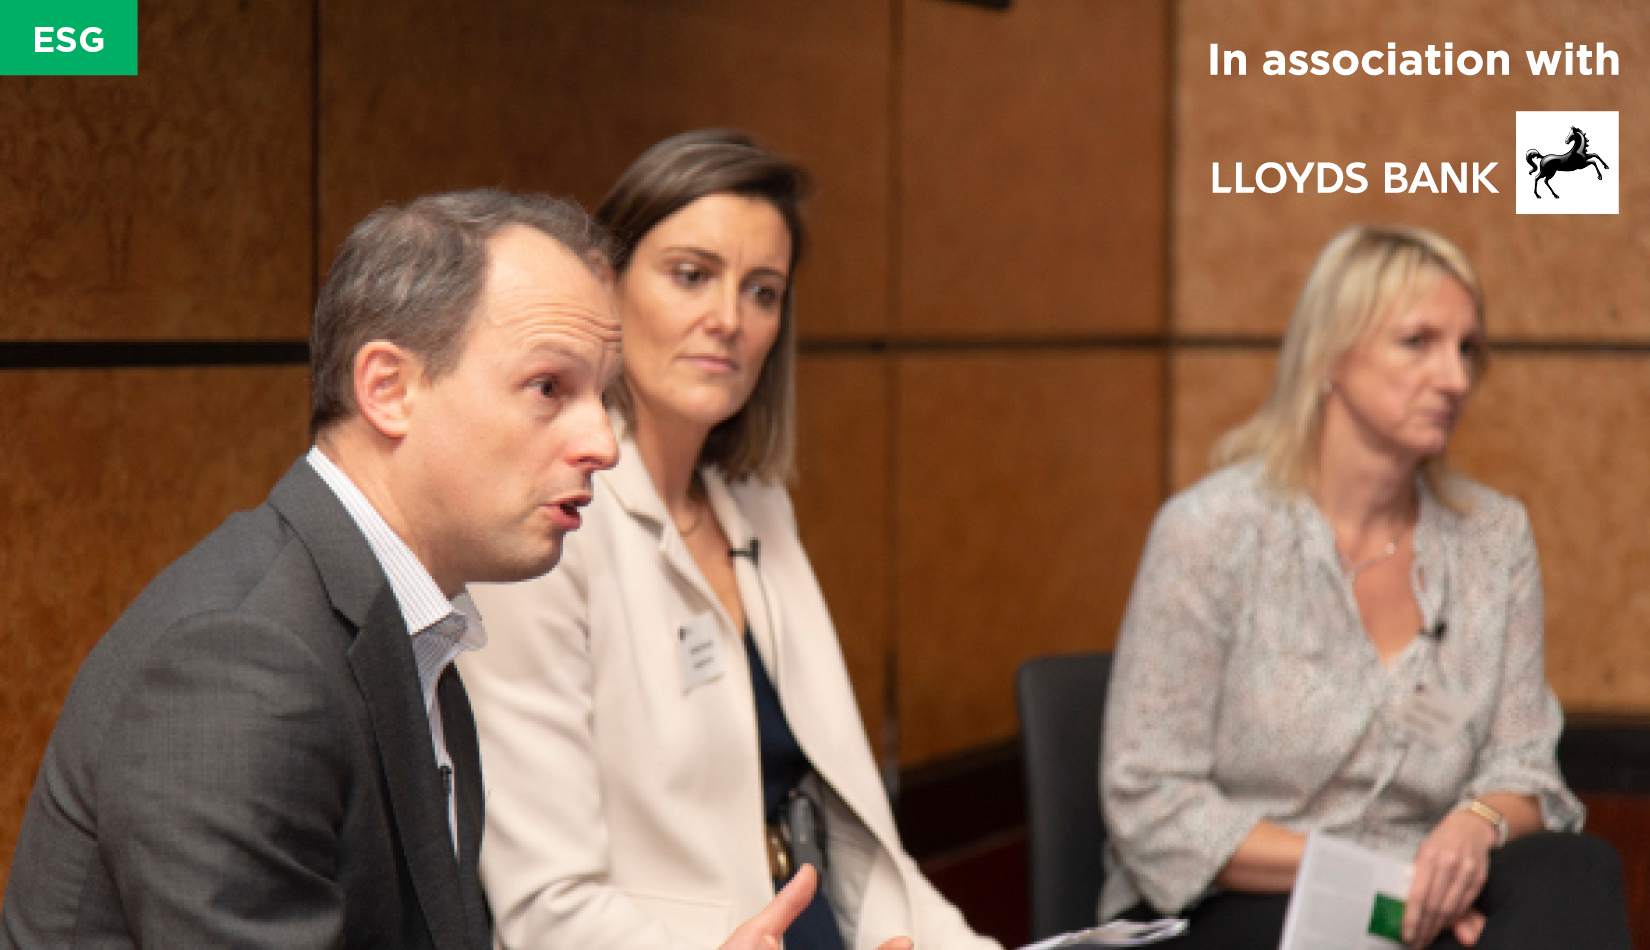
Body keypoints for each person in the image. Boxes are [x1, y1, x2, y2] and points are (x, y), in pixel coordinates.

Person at [1, 188, 893, 950]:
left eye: (602, 397)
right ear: (387, 389)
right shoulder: (239, 665)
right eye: (550, 388)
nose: (601, 444)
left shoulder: (415, 626)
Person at [460, 131, 999, 950]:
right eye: (691, 275)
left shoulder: (756, 505)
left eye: (762, 291)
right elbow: (547, 907)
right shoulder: (543, 532)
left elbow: (851, 832)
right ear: (604, 287)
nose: (728, 320)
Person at [1100, 224, 1632, 950]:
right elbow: (1149, 803)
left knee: (1577, 871)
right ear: (1330, 355)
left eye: (1466, 349)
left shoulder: (1493, 539)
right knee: (1384, 933)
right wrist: (1379, 876)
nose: (1454, 377)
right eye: (1418, 343)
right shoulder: (1211, 533)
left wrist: (1475, 827)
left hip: (1426, 888)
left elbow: (1525, 766)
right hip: (1235, 900)